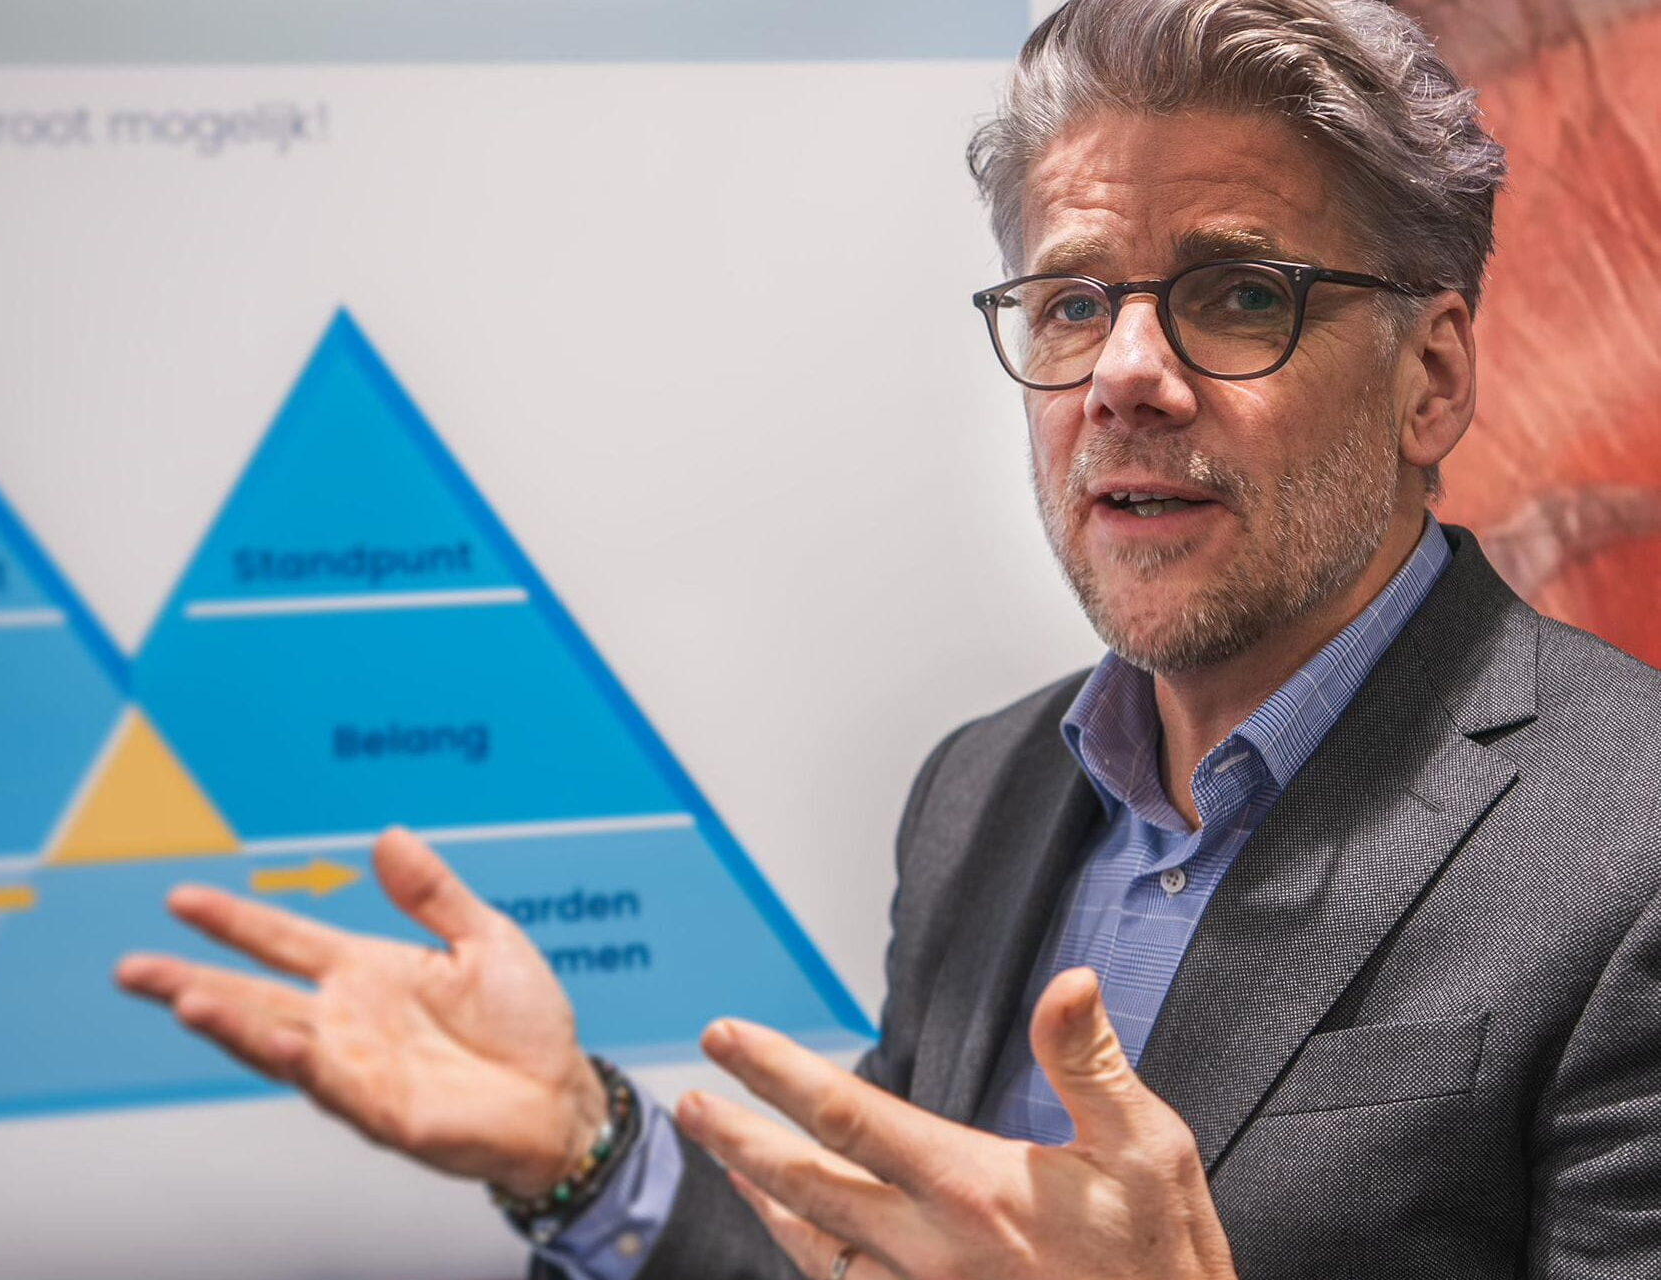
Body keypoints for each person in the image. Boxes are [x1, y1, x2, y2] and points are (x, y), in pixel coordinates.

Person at [116, 1, 1661, 1277]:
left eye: (1240, 295)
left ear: (1431, 378)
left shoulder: (1632, 845)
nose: (1125, 374)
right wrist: (585, 1149)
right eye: (1072, 304)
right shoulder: (983, 790)